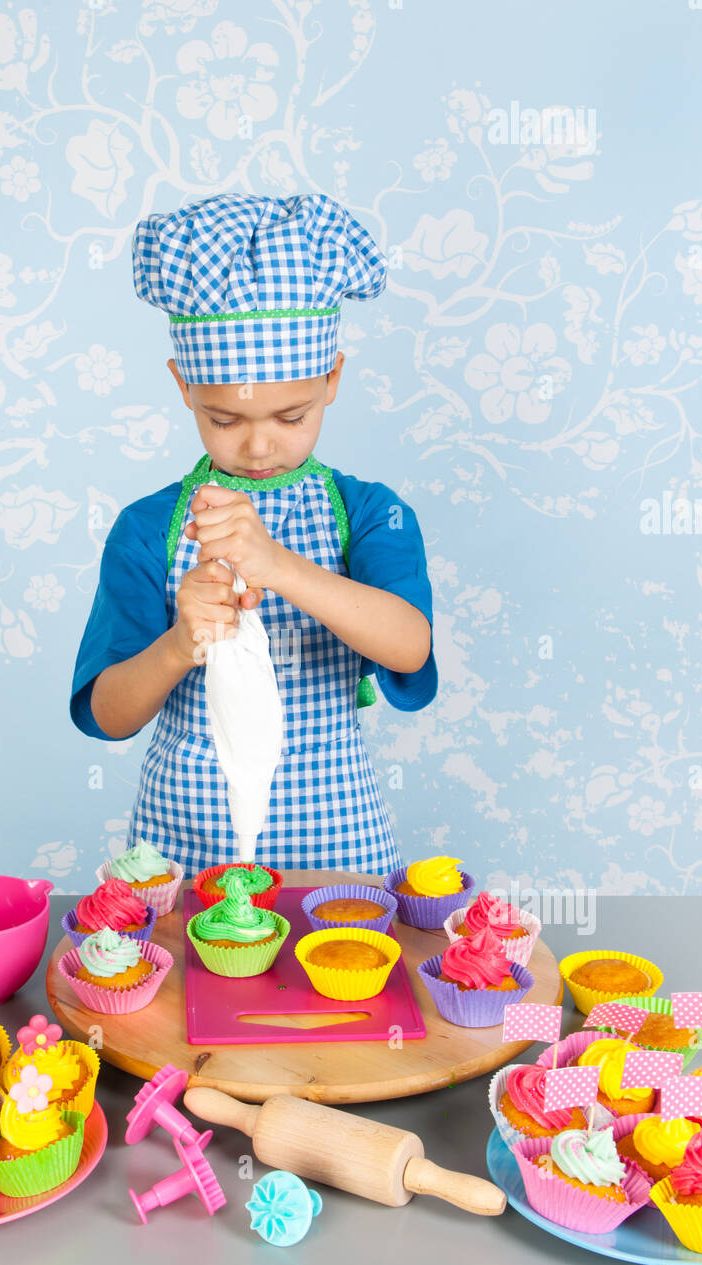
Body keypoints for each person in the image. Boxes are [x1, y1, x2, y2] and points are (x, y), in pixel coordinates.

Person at [70, 193, 437, 876]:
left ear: (332, 379)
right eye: (225, 419)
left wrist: (277, 565)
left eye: (291, 416)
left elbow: (409, 646)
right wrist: (181, 644)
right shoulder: (148, 529)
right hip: (187, 856)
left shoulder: (369, 513)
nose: (260, 445)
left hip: (336, 855)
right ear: (184, 386)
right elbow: (109, 715)